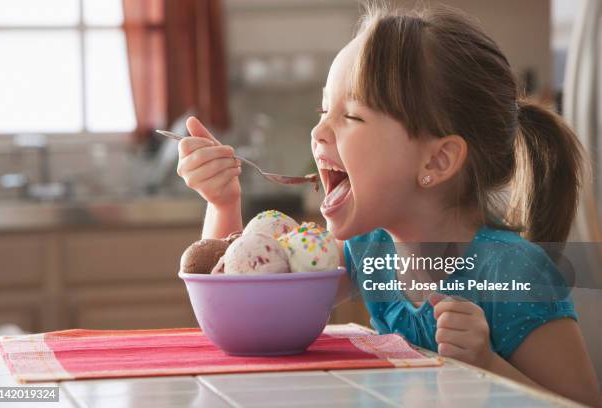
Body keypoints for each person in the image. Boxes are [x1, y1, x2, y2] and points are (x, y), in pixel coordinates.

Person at [176, 4, 601, 406]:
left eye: (351, 117)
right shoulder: (367, 250)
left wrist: (487, 367)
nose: (318, 130)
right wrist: (223, 204)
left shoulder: (512, 274)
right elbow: (248, 321)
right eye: (324, 109)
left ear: (437, 160)